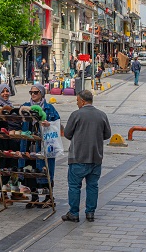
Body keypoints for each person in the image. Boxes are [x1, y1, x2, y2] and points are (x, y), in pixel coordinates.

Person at [61, 90, 112, 223]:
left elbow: (67, 133)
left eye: (77, 101)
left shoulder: (76, 115)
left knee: (74, 186)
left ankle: (74, 213)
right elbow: (107, 135)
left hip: (78, 157)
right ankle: (90, 213)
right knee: (92, 186)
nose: (77, 103)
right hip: (96, 158)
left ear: (82, 101)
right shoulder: (102, 115)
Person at [22, 83, 60, 208]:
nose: (33, 95)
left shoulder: (49, 108)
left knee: (46, 169)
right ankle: (34, 196)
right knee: (30, 169)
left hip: (45, 144)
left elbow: (57, 124)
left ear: (42, 94)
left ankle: (49, 197)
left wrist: (49, 124)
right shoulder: (25, 107)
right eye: (31, 92)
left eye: (36, 92)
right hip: (29, 143)